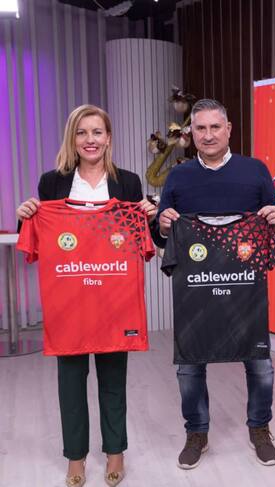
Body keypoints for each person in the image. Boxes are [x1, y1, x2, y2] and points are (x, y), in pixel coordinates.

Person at [16, 104, 157, 487]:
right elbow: (42, 235)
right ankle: (75, 458)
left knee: (113, 380)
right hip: (69, 303)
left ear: (108, 138)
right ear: (72, 139)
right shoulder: (52, 182)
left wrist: (149, 215)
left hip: (113, 302)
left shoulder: (127, 183)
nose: (90, 140)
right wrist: (26, 214)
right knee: (70, 382)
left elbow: (145, 240)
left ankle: (115, 452)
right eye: (82, 132)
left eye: (97, 132)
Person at [154, 98, 275, 469]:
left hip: (245, 287)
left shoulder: (255, 171)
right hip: (196, 287)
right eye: (200, 128)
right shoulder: (178, 177)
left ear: (229, 129)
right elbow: (161, 235)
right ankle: (196, 432)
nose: (208, 135)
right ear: (192, 132)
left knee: (259, 363)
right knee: (189, 364)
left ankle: (260, 428)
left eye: (215, 127)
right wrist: (162, 226)